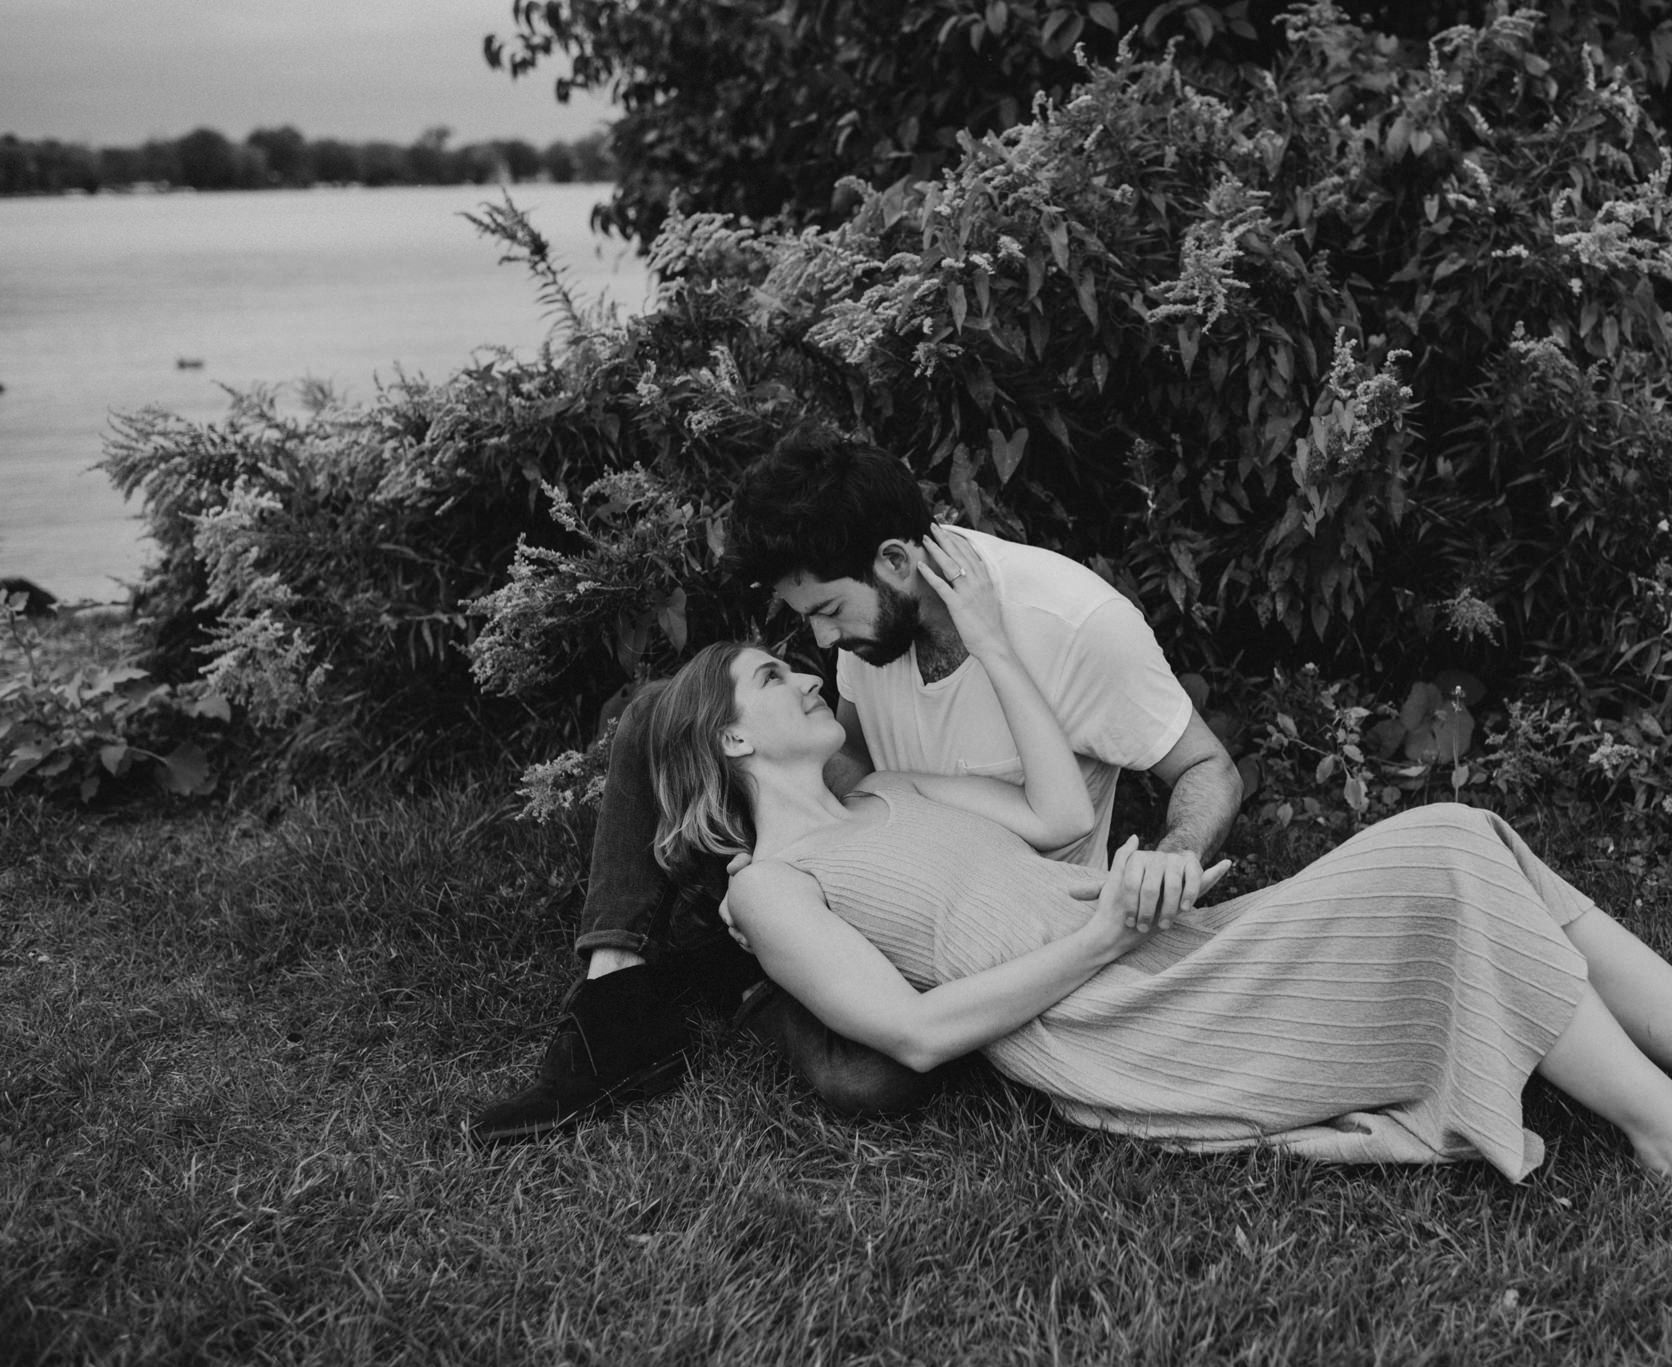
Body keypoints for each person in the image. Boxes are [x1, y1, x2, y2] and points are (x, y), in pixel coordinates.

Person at [650, 528, 1672, 1224]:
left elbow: (1061, 811)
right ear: (730, 733)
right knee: (1452, 848)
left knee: (1477, 844)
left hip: (1153, 942)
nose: (810, 664)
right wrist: (1107, 935)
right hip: (1113, 1016)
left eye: (803, 640)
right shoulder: (772, 886)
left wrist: (992, 639)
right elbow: (922, 1028)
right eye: (777, 671)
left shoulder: (885, 784)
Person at [467, 434, 1241, 1143]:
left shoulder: (1072, 623)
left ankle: (737, 974)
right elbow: (849, 774)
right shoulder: (869, 635)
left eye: (829, 612)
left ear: (897, 563)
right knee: (658, 715)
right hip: (873, 878)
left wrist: (1170, 857)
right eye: (810, 622)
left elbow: (1206, 770)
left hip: (1007, 914)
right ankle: (618, 990)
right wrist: (771, 875)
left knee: (868, 1073)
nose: (823, 646)